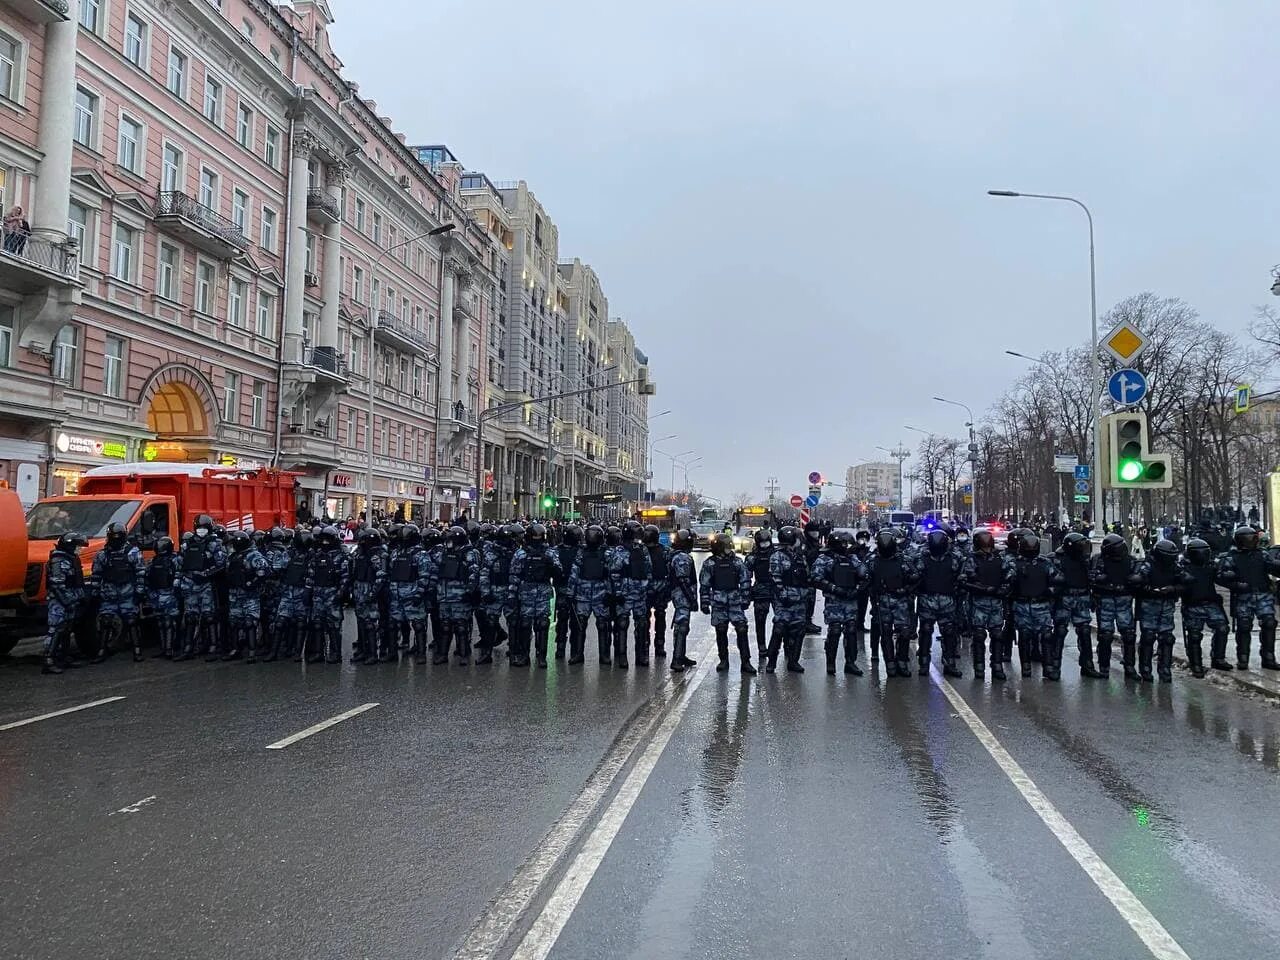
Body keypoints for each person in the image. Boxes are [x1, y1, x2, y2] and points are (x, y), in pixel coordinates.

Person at [1216, 525, 1280, 671]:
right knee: (1244, 626)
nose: (1251, 541)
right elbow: (1220, 576)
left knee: (1269, 623)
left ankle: (1268, 657)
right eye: (1248, 539)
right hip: (1243, 596)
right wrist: (1235, 584)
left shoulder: (1262, 554)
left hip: (1262, 593)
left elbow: (1272, 566)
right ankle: (1243, 658)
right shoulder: (1232, 557)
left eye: (1253, 538)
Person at [810, 529, 865, 676]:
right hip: (834, 600)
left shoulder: (852, 558)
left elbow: (864, 574)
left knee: (851, 630)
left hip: (850, 600)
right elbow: (815, 578)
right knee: (834, 630)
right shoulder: (825, 559)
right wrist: (834, 588)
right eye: (845, 544)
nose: (848, 547)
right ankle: (831, 663)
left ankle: (851, 663)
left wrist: (857, 589)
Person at [699, 533, 756, 674]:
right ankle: (723, 660)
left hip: (735, 601)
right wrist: (704, 602)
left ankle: (746, 661)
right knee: (721, 629)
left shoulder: (737, 562)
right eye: (726, 546)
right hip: (718, 602)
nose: (729, 549)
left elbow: (745, 581)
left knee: (742, 629)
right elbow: (704, 585)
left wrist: (745, 599)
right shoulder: (710, 564)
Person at [912, 528, 964, 678]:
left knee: (949, 632)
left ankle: (950, 664)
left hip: (947, 599)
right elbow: (914, 575)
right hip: (927, 599)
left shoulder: (954, 558)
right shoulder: (922, 557)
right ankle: (923, 663)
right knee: (926, 631)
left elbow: (962, 574)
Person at [960, 529, 1012, 680]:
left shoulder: (999, 559)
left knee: (997, 634)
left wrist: (1004, 589)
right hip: (978, 602)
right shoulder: (971, 560)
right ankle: (979, 667)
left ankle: (997, 665)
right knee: (979, 635)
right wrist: (983, 588)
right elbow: (964, 581)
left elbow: (1009, 577)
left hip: (995, 601)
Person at [509, 522, 563, 668]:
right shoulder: (521, 554)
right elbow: (514, 575)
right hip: (526, 592)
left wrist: (551, 565)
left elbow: (559, 572)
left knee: (543, 624)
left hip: (543, 592)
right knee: (525, 624)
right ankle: (525, 655)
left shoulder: (550, 553)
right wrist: (512, 596)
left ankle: (541, 657)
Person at [866, 527, 916, 677]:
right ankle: (890, 663)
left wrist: (906, 589)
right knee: (885, 633)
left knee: (905, 632)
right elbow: (864, 579)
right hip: (881, 601)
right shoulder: (872, 561)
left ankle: (902, 661)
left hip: (900, 600)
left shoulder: (903, 560)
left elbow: (915, 576)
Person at [1052, 532, 1104, 679]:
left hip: (1082, 597)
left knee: (1085, 631)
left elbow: (1092, 579)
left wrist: (1094, 595)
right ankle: (1055, 666)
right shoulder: (1058, 560)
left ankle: (1087, 665)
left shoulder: (1085, 561)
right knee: (1060, 630)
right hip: (1065, 597)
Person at [1010, 529, 1059, 680]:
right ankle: (1026, 666)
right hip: (1022, 604)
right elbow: (1007, 581)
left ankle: (1048, 667)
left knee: (1046, 636)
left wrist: (1052, 589)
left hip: (1041, 604)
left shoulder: (1045, 563)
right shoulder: (1015, 564)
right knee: (1025, 635)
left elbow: (1057, 578)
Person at [92, 522, 145, 663]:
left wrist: (140, 592)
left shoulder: (132, 552)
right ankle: (102, 651)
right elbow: (96, 574)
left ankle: (137, 650)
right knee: (106, 621)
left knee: (132, 620)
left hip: (127, 592)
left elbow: (140, 573)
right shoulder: (103, 555)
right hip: (109, 594)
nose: (115, 539)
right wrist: (95, 591)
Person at [176, 515, 226, 661]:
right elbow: (180, 563)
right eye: (199, 528)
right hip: (190, 582)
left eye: (204, 528)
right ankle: (188, 648)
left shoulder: (215, 543)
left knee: (209, 617)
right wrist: (179, 581)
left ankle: (213, 647)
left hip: (206, 584)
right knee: (190, 617)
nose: (201, 531)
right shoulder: (188, 544)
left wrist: (206, 574)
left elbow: (222, 563)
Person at [430, 525, 481, 664]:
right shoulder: (444, 552)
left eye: (451, 538)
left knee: (461, 626)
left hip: (460, 595)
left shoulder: (470, 553)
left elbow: (474, 573)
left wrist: (470, 591)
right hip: (444, 595)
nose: (449, 541)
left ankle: (464, 654)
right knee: (445, 625)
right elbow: (435, 567)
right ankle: (442, 654)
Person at [1090, 533, 1138, 680]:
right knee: (1105, 635)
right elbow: (1090, 577)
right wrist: (1098, 581)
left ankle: (1129, 667)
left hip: (1123, 599)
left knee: (1129, 635)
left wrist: (1134, 581)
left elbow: (1139, 577)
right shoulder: (1098, 560)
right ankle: (1104, 667)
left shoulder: (1130, 561)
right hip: (1105, 600)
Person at [1134, 539, 1182, 682]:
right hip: (1149, 603)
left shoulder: (1174, 567)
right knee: (1148, 636)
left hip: (1166, 603)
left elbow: (1184, 583)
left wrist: (1173, 589)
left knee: (1167, 638)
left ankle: (1165, 668)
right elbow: (1137, 582)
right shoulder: (1147, 566)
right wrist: (1147, 589)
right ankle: (1145, 668)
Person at [1179, 538, 1226, 676]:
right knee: (1194, 635)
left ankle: (1218, 658)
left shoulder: (1210, 566)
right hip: (1192, 604)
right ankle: (1196, 664)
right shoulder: (1183, 568)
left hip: (1210, 602)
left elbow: (1221, 579)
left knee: (1222, 628)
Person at [570, 525, 616, 665]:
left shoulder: (606, 554)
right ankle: (578, 654)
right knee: (580, 624)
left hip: (600, 593)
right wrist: (570, 593)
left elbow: (611, 575)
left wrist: (611, 593)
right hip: (583, 593)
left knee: (603, 625)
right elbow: (574, 573)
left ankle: (604, 655)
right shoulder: (581, 553)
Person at [767, 526, 810, 673]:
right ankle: (771, 662)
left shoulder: (799, 556)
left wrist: (806, 594)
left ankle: (793, 661)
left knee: (798, 631)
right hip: (784, 601)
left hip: (800, 600)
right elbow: (775, 578)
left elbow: (806, 576)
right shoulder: (777, 556)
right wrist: (783, 596)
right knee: (779, 629)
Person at [42, 533, 87, 674]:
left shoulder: (70, 558)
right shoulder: (59, 560)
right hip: (59, 601)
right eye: (77, 546)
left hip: (70, 599)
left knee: (66, 628)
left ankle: (64, 656)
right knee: (56, 628)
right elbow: (57, 585)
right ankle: (48, 660)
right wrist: (67, 601)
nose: (79, 550)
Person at [306, 525, 349, 664]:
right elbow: (311, 575)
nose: (325, 543)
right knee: (317, 624)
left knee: (334, 626)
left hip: (333, 594)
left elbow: (345, 577)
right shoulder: (317, 556)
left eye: (327, 540)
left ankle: (335, 654)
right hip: (318, 594)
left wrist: (341, 593)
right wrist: (308, 591)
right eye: (323, 540)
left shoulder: (340, 557)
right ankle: (318, 653)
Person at [225, 530, 269, 661]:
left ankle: (252, 652)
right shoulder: (233, 556)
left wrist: (252, 583)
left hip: (250, 595)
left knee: (250, 622)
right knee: (234, 622)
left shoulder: (254, 555)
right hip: (234, 594)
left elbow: (264, 571)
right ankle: (235, 649)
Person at [615, 520, 654, 667]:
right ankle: (622, 656)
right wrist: (616, 592)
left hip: (640, 592)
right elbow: (614, 572)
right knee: (622, 623)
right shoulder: (620, 550)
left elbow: (648, 569)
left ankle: (641, 655)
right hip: (625, 592)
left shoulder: (642, 549)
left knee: (642, 623)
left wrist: (649, 587)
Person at [350, 527, 389, 664]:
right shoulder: (360, 554)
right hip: (359, 591)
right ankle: (362, 650)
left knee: (370, 624)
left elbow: (381, 577)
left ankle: (372, 653)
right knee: (361, 621)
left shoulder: (377, 555)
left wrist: (373, 593)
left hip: (370, 592)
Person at [275, 529, 313, 662]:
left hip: (303, 591)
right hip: (288, 591)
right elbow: (279, 568)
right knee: (280, 622)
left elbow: (313, 574)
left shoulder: (312, 555)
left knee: (301, 623)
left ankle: (297, 652)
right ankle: (276, 651)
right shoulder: (289, 553)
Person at [666, 528, 699, 672]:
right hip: (682, 594)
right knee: (682, 625)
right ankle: (677, 659)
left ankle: (681, 656)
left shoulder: (678, 555)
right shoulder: (682, 558)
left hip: (680, 593)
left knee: (683, 626)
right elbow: (683, 580)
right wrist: (692, 599)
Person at [744, 528, 777, 662]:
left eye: (766, 543)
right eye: (762, 543)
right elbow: (745, 576)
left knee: (781, 621)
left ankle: (781, 646)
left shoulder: (776, 555)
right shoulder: (753, 557)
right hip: (761, 590)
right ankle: (762, 646)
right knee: (760, 620)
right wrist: (746, 594)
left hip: (777, 589)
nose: (764, 546)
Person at [644, 524, 673, 661]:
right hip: (644, 589)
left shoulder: (665, 551)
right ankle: (644, 644)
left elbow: (670, 570)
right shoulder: (640, 551)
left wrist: (668, 589)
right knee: (644, 618)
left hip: (661, 588)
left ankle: (659, 644)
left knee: (660, 617)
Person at [555, 524, 583, 663]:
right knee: (566, 621)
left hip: (571, 590)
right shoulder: (579, 551)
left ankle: (567, 649)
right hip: (568, 590)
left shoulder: (557, 550)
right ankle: (563, 648)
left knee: (567, 620)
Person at [802, 521, 824, 634]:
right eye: (813, 532)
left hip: (813, 577)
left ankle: (808, 620)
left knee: (812, 600)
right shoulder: (805, 544)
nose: (815, 534)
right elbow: (806, 556)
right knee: (807, 600)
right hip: (805, 577)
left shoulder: (816, 543)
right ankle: (805, 622)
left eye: (816, 532)